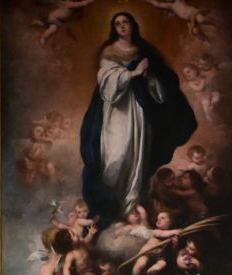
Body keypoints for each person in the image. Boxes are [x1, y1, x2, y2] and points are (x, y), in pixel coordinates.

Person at [80, 11, 197, 223]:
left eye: (125, 22)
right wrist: (132, 74)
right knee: (116, 157)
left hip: (140, 109)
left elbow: (161, 84)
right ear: (114, 28)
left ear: (133, 25)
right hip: (116, 110)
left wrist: (149, 76)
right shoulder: (109, 51)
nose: (122, 26)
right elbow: (106, 81)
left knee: (137, 157)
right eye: (117, 23)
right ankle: (112, 207)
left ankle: (130, 208)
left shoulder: (144, 51)